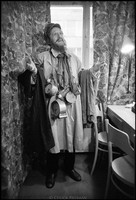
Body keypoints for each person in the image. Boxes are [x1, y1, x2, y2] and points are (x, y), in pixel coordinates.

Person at [25, 23, 84, 188]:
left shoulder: (74, 58)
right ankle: (51, 172)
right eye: (55, 34)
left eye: (61, 33)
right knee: (54, 138)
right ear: (48, 40)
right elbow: (37, 78)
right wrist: (34, 72)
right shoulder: (42, 57)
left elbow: (80, 75)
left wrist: (90, 73)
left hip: (72, 104)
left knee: (70, 135)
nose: (60, 36)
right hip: (53, 105)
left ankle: (69, 168)